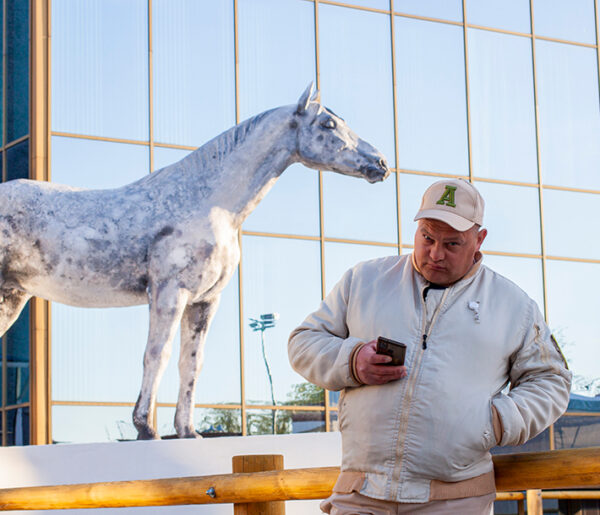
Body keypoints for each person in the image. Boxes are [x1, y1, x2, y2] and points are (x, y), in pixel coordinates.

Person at [288, 179, 571, 514]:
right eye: (427, 237)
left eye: (452, 244)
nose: (435, 254)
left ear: (479, 240)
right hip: (360, 494)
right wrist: (352, 360)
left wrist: (496, 421)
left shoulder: (514, 306)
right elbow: (303, 342)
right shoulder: (363, 280)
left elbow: (552, 381)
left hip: (458, 501)